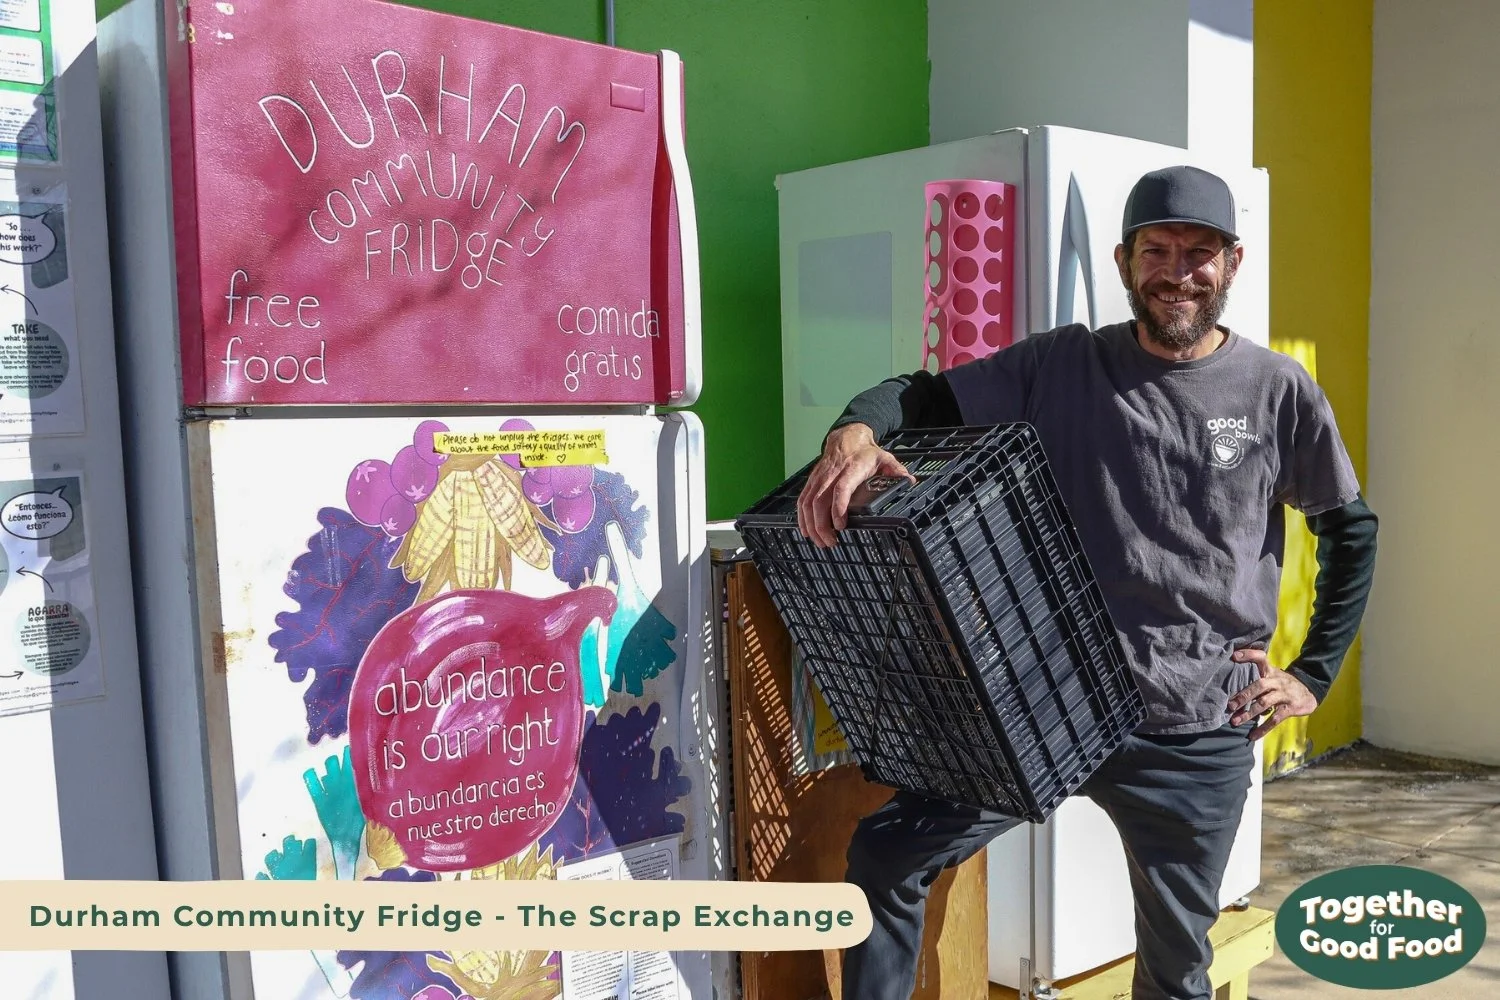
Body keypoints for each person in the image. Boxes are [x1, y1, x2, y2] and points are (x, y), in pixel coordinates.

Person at [795, 165, 1378, 1000]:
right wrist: (853, 429)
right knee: (885, 857)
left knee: (1177, 971)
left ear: (1233, 263)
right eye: (1158, 250)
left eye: (1200, 252)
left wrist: (1314, 674)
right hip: (1045, 704)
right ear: (1123, 260)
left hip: (1195, 720)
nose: (1178, 271)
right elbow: (921, 396)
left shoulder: (1276, 391)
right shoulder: (1063, 364)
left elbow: (1350, 529)